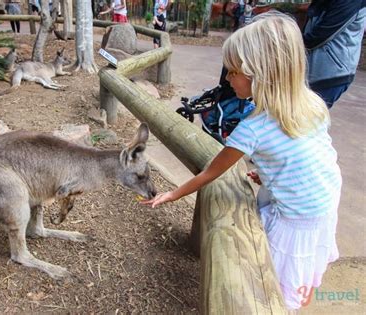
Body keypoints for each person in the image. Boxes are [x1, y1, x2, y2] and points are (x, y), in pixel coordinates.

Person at [142, 13, 342, 311]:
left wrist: (173, 194)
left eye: (234, 71)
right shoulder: (311, 104)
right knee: (308, 271)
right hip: (325, 202)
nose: (227, 79)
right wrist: (273, 175)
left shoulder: (253, 127)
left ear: (258, 73)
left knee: (280, 282)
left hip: (296, 219)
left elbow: (212, 171)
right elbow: (310, 156)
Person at [303, 0, 366, 108]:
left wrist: (288, 43)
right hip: (317, 70)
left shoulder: (350, 2)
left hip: (330, 74)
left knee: (307, 119)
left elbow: (318, 36)